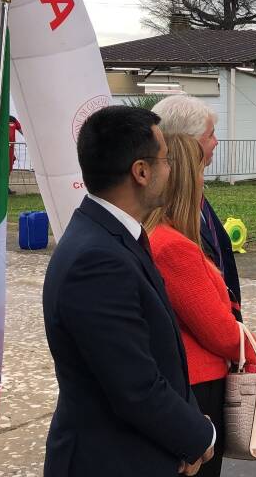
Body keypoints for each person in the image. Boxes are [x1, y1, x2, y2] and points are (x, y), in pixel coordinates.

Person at [42, 105, 216, 477]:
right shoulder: (97, 261)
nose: (172, 170)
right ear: (141, 171)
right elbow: (134, 386)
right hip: (110, 459)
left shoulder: (113, 235)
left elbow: (153, 353)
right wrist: (200, 436)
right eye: (167, 160)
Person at [145, 132, 256, 477]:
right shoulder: (172, 247)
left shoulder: (158, 236)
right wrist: (250, 352)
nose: (203, 183)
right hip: (200, 385)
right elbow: (217, 328)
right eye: (200, 173)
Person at [151, 96, 242, 319]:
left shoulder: (194, 193)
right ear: (187, 142)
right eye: (210, 134)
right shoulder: (166, 207)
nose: (216, 142)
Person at [8, 115, 23, 194]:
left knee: (9, 167)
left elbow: (22, 131)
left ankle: (6, 187)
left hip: (10, 148)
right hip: (0, 147)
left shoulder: (12, 119)